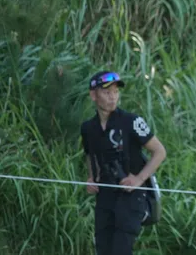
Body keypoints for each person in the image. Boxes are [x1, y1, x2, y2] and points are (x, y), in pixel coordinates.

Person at [81, 71, 167, 255]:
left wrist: (139, 179)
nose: (113, 97)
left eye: (115, 92)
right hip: (105, 196)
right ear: (93, 95)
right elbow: (90, 155)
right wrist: (92, 177)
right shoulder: (88, 128)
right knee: (103, 249)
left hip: (131, 196)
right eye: (106, 93)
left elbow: (159, 151)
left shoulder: (131, 121)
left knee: (121, 249)